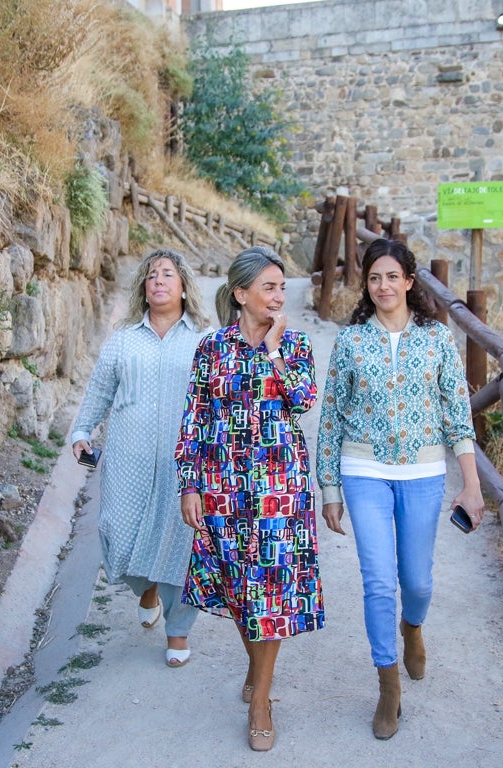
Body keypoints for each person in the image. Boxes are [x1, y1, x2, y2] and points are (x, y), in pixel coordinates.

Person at [316, 237, 486, 740]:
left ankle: (413, 627)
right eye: (374, 278)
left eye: (392, 276)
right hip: (362, 469)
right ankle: (387, 685)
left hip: (424, 473)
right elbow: (331, 418)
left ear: (410, 281)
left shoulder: (436, 340)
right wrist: (330, 488)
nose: (384, 285)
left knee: (416, 580)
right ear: (366, 286)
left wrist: (472, 486)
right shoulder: (351, 343)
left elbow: (458, 416)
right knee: (376, 579)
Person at [176, 246, 323, 752]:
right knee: (238, 587)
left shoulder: (296, 344)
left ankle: (261, 699)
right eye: (268, 287)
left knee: (273, 591)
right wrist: (189, 483)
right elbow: (194, 417)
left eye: (282, 287)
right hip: (222, 487)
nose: (278, 296)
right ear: (240, 294)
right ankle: (257, 665)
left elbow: (303, 401)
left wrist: (276, 348)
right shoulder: (210, 348)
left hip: (280, 488)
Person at [70, 248, 212, 668]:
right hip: (126, 457)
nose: (159, 281)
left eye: (168, 274)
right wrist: (82, 432)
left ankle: (178, 630)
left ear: (184, 286)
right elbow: (99, 392)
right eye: (152, 276)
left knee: (182, 543)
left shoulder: (205, 339)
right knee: (117, 531)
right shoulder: (124, 339)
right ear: (143, 288)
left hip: (184, 462)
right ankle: (145, 587)